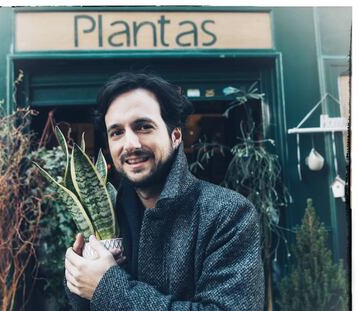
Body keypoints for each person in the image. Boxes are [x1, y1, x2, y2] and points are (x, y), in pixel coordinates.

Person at [64, 72, 264, 310]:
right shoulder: (110, 217)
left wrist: (106, 287)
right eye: (117, 132)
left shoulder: (227, 214)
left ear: (176, 135)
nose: (130, 145)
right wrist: (78, 282)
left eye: (143, 127)